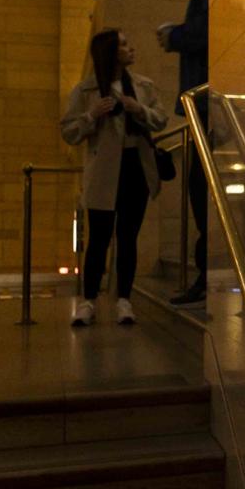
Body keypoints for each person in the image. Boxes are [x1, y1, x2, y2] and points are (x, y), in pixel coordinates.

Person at [61, 28, 170, 326]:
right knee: (98, 238)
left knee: (128, 236)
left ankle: (124, 299)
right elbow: (68, 132)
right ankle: (88, 301)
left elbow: (161, 118)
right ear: (110, 52)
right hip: (103, 171)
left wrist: (139, 109)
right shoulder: (85, 91)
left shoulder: (144, 86)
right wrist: (91, 115)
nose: (131, 48)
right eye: (123, 44)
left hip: (136, 166)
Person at [156, 0, 209, 304]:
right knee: (199, 188)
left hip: (204, 99)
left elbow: (207, 32)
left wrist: (173, 36)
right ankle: (208, 272)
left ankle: (207, 274)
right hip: (202, 101)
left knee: (200, 189)